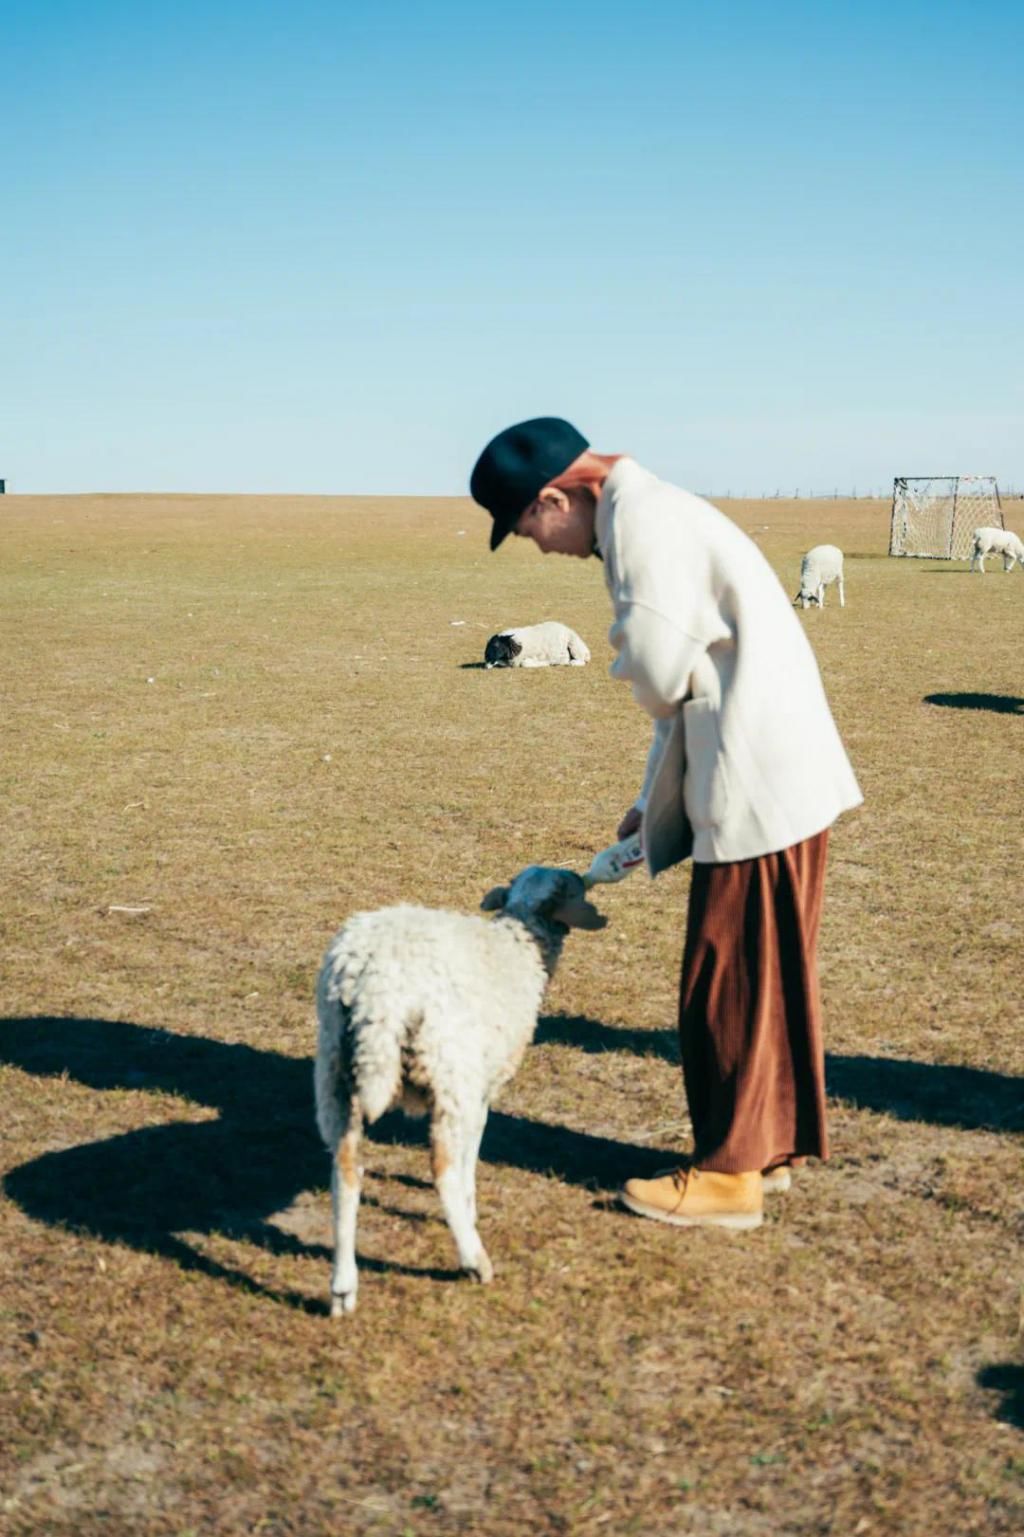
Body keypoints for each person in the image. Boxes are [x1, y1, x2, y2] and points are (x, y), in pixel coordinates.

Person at [469, 417, 862, 1231]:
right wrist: (654, 799)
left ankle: (726, 1177)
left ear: (554, 496)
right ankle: (768, 1146)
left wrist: (659, 781)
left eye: (528, 527)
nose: (541, 547)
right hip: (781, 767)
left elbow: (655, 663)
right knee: (770, 968)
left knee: (723, 978)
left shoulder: (640, 526)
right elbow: (691, 676)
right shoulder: (658, 510)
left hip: (756, 774)